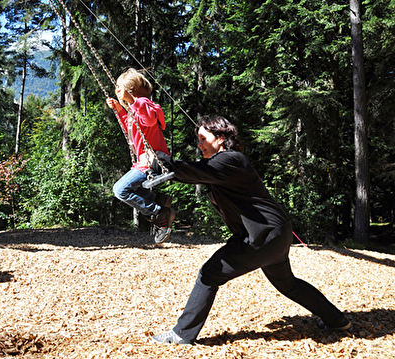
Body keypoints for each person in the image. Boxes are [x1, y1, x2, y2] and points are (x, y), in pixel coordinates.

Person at [150, 115, 350, 345]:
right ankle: (337, 320)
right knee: (287, 283)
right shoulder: (223, 165)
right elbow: (197, 173)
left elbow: (193, 171)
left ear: (221, 138)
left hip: (262, 235)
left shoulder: (230, 159)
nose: (199, 144)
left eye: (203, 138)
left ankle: (181, 335)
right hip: (274, 233)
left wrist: (160, 160)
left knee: (209, 274)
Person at [106, 68, 175, 244]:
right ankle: (159, 201)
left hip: (154, 161)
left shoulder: (144, 103)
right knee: (128, 189)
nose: (118, 91)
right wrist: (120, 108)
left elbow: (149, 120)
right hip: (144, 161)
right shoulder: (134, 109)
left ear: (130, 90)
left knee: (120, 189)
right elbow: (130, 126)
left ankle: (159, 212)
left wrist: (130, 100)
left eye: (120, 88)